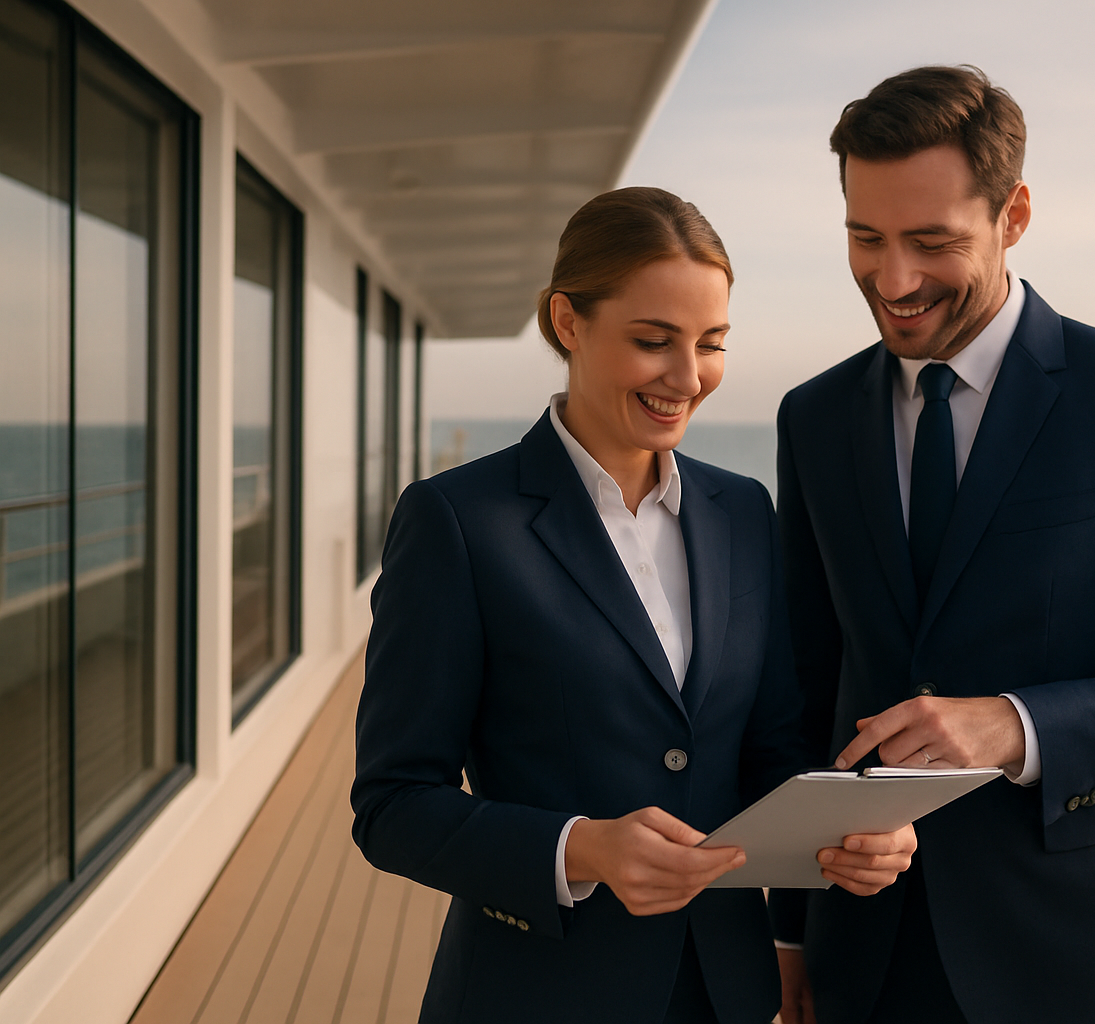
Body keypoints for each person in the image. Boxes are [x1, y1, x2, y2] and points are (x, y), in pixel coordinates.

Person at [771, 66, 1095, 1024]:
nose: (893, 281)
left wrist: (1014, 727)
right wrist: (794, 927)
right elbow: (807, 680)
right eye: (864, 238)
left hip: (1075, 953)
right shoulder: (812, 416)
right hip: (865, 948)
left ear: (1013, 214)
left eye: (932, 242)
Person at [351, 186, 917, 1024]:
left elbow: (765, 751)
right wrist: (579, 847)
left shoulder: (742, 512)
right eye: (654, 341)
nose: (687, 379)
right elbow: (393, 803)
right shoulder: (458, 522)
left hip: (724, 990)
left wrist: (850, 827)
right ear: (567, 322)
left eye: (712, 344)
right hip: (535, 994)